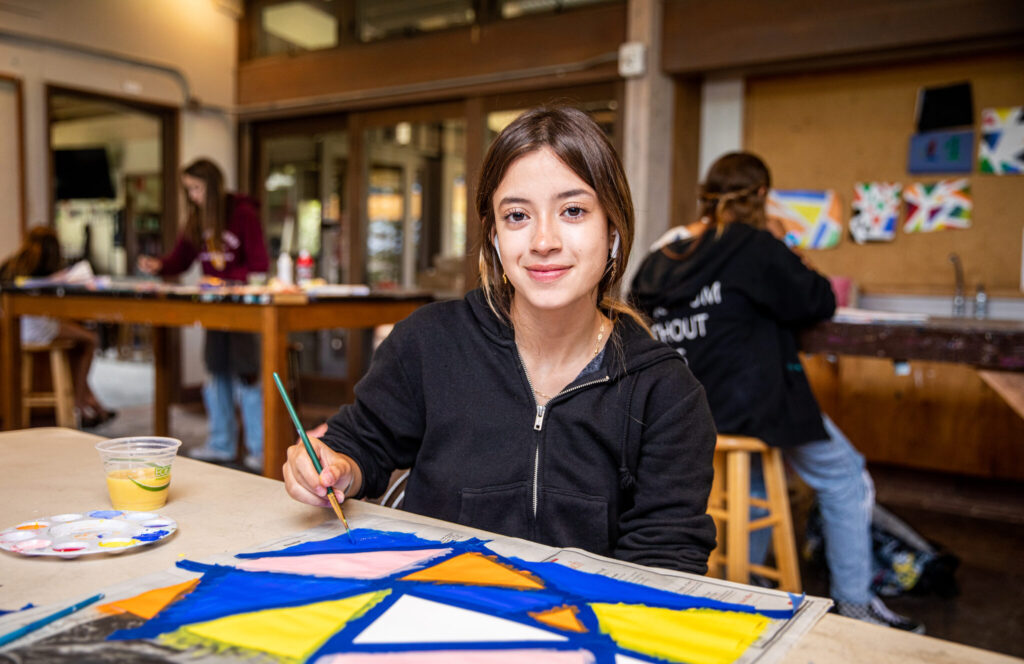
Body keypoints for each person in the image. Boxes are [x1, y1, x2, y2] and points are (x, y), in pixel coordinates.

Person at [283, 107, 717, 573]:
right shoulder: (430, 343)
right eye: (517, 216)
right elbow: (359, 444)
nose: (544, 241)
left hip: (586, 617)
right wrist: (335, 467)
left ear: (612, 228)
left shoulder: (665, 393)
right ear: (493, 236)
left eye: (573, 211)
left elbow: (664, 564)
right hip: (433, 604)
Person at [630, 151, 924, 632]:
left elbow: (639, 319)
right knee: (844, 474)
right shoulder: (755, 246)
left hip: (683, 411)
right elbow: (819, 299)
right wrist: (790, 253)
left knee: (757, 482)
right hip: (749, 406)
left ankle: (745, 594)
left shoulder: (662, 256)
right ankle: (855, 605)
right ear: (762, 194)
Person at [138, 158, 269, 472]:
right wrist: (159, 265)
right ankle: (222, 442)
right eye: (189, 190)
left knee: (247, 373)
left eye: (197, 188)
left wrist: (226, 281)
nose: (193, 196)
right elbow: (180, 259)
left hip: (243, 307)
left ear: (212, 186)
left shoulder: (243, 214)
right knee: (216, 370)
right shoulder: (196, 220)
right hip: (213, 308)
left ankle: (260, 448)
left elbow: (260, 266)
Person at [0, 225, 115, 427]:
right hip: (35, 328)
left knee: (75, 338)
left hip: (12, 327)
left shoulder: (11, 264)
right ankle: (79, 403)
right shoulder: (44, 266)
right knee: (90, 339)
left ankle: (89, 401)